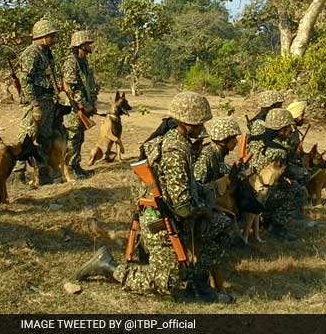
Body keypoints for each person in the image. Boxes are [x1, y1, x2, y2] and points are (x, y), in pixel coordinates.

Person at [75, 92, 233, 304]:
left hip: (171, 214)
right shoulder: (175, 150)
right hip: (160, 220)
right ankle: (108, 266)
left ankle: (200, 285)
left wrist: (205, 196)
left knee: (221, 225)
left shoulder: (180, 143)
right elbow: (182, 205)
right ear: (189, 123)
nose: (202, 126)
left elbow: (186, 188)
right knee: (166, 281)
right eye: (200, 121)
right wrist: (205, 208)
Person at [12, 18, 60, 186]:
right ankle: (18, 173)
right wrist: (34, 104)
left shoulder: (46, 52)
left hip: (47, 101)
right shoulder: (31, 53)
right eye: (51, 36)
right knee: (27, 137)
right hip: (36, 102)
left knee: (45, 137)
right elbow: (25, 79)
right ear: (42, 36)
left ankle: (42, 171)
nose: (54, 39)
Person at [247, 108, 306, 241]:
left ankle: (264, 219)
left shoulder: (256, 140)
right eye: (288, 128)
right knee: (298, 191)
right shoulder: (279, 149)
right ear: (281, 129)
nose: (290, 131)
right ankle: (277, 226)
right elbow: (282, 173)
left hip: (248, 187)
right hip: (262, 193)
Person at [62, 30, 99, 179]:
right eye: (87, 44)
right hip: (74, 108)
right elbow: (72, 87)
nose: (90, 46)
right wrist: (83, 105)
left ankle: (76, 165)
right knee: (72, 137)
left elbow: (87, 84)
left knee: (79, 138)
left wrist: (91, 103)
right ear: (81, 45)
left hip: (84, 106)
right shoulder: (71, 62)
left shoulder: (83, 62)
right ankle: (69, 168)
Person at [194, 118, 241, 183]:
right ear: (223, 141)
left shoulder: (218, 153)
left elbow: (220, 168)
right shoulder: (207, 156)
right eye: (233, 138)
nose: (236, 141)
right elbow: (197, 184)